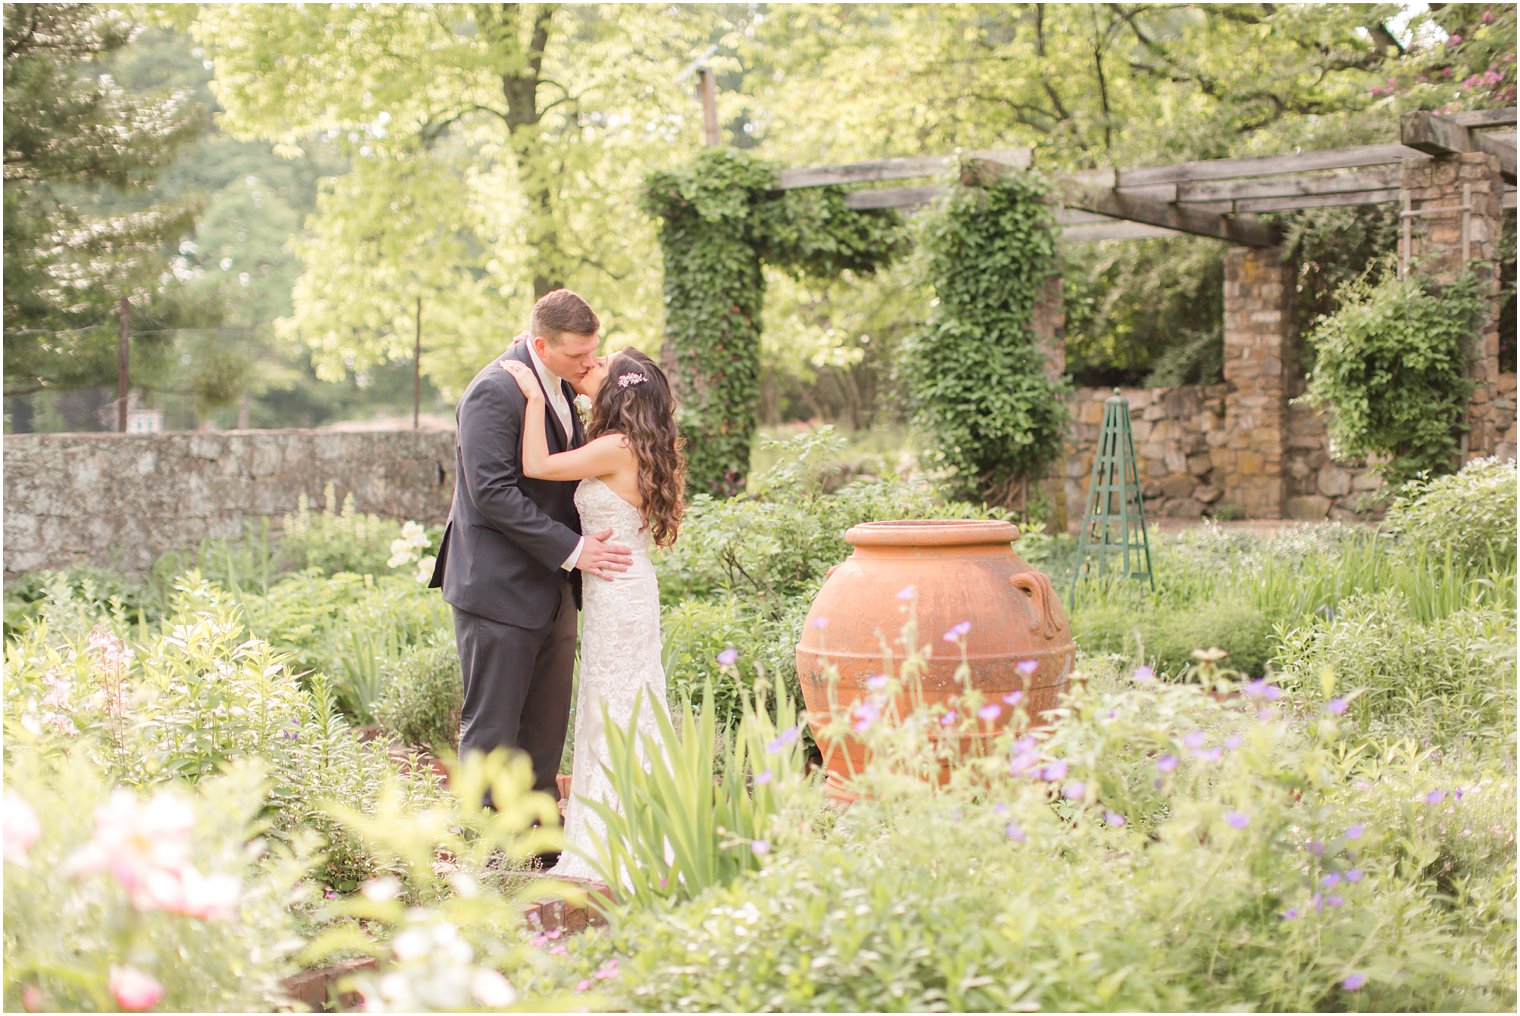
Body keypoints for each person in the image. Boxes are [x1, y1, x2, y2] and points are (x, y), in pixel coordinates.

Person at [429, 290, 633, 855]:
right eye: (578, 357)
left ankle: (538, 838)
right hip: (497, 588)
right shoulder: (493, 392)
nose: (590, 365)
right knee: (494, 726)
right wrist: (574, 549)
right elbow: (490, 492)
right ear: (541, 345)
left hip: (552, 588)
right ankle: (486, 849)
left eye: (594, 353)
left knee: (544, 724)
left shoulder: (564, 384)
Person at [499, 345, 685, 883]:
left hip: (617, 595)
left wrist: (535, 399)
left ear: (619, 389)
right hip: (623, 590)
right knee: (621, 706)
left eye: (600, 365)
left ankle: (616, 839)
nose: (590, 366)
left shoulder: (614, 447)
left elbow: (535, 466)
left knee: (617, 708)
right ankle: (638, 829)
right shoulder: (638, 445)